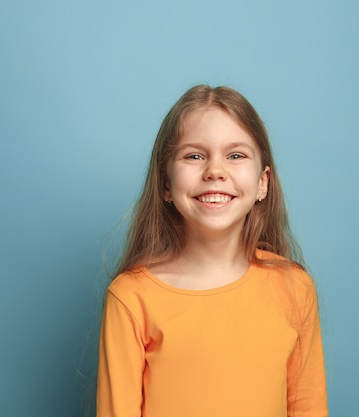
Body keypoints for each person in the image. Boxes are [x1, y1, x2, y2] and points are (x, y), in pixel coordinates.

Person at [97, 85, 327, 417]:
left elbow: (309, 408)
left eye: (235, 155)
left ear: (263, 182)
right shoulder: (131, 297)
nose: (215, 171)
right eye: (194, 155)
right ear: (165, 183)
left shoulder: (295, 287)